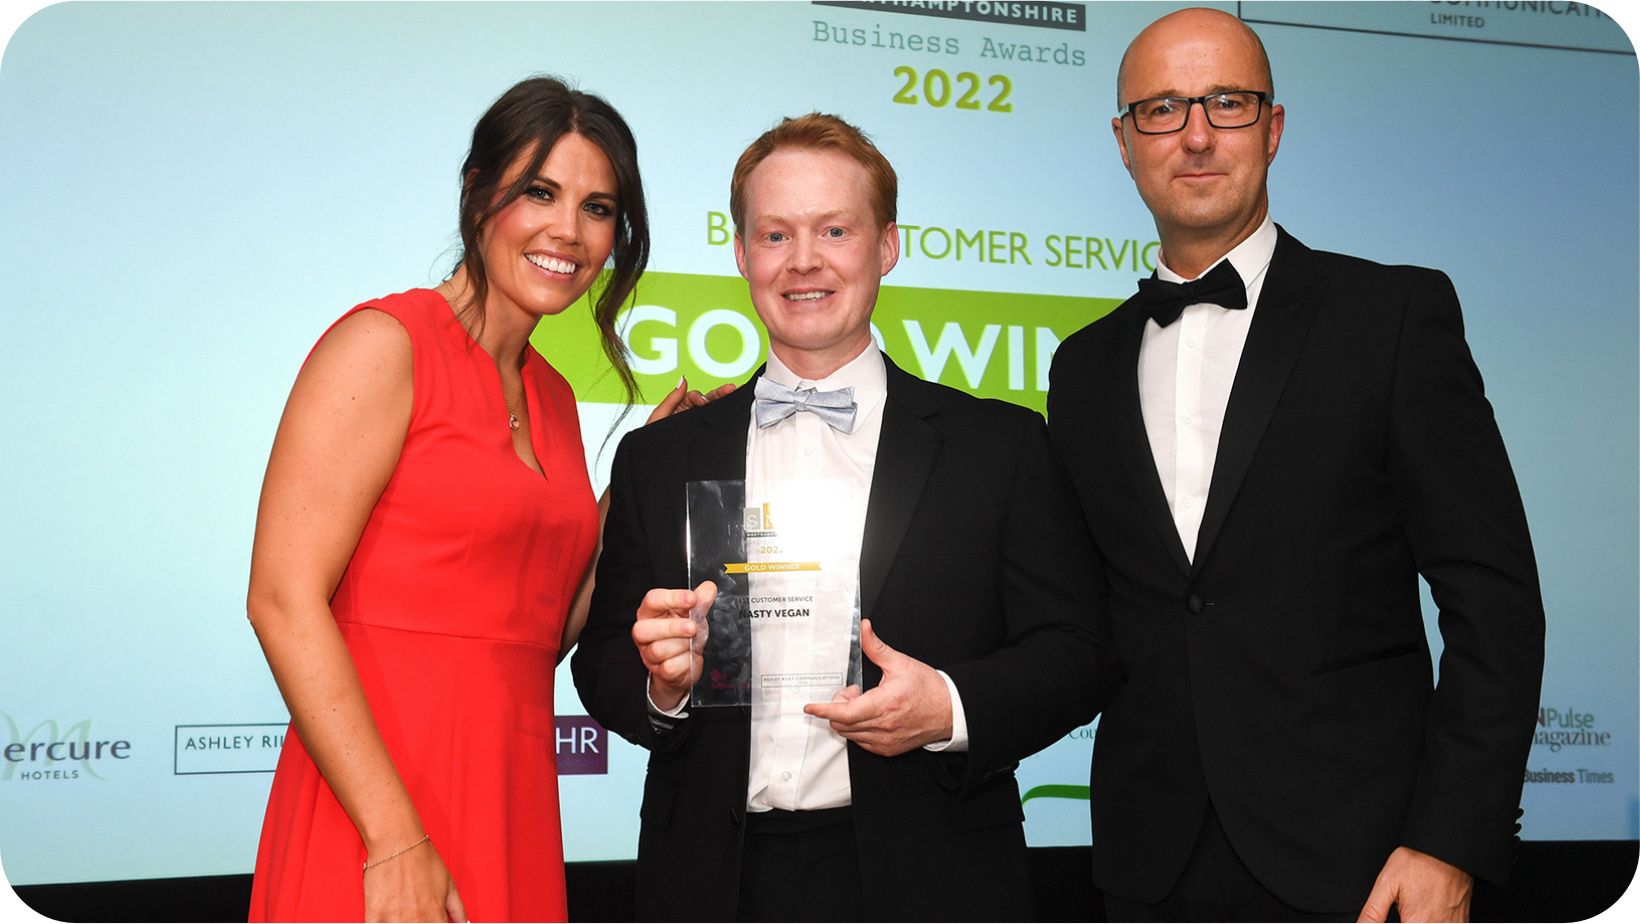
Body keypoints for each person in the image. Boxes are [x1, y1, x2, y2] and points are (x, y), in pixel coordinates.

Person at [1046, 8, 1545, 922]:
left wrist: (1451, 838)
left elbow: (1495, 600)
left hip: (1363, 867)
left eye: (1227, 104)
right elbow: (1077, 617)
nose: (1195, 135)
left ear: (1273, 128)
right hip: (1146, 868)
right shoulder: (1080, 368)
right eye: (1161, 109)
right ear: (1123, 142)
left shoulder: (1393, 317)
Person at [571, 113, 1116, 921]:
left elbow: (1079, 653)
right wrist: (663, 687)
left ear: (887, 247)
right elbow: (601, 658)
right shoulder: (663, 455)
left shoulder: (997, 446)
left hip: (935, 876)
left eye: (835, 230)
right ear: (741, 252)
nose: (804, 262)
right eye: (775, 234)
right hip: (712, 881)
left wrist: (948, 707)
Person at [245, 76, 726, 922]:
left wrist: (643, 466)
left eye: (599, 207)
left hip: (510, 792)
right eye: (540, 191)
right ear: (477, 193)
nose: (567, 231)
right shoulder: (383, 346)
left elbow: (545, 626)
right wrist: (394, 837)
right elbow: (282, 600)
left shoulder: (551, 395)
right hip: (376, 805)